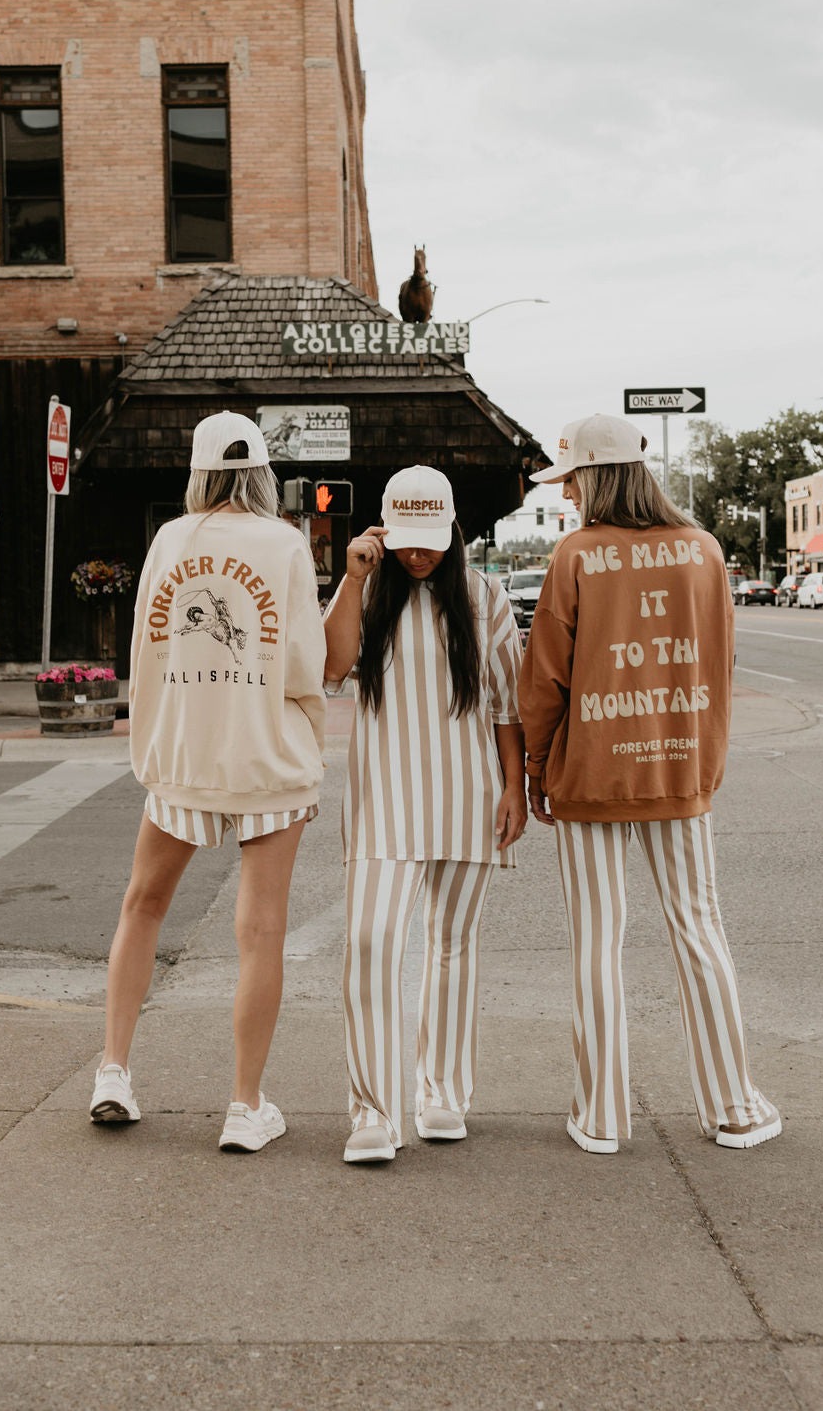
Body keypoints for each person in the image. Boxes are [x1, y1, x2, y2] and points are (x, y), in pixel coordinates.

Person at [519, 415, 780, 1154]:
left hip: (590, 773)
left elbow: (544, 677)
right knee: (699, 928)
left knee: (596, 941)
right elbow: (719, 666)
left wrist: (539, 767)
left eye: (570, 480)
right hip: (677, 764)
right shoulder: (704, 553)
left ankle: (601, 1114)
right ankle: (733, 1105)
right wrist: (707, 760)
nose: (566, 495)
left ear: (596, 476)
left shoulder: (575, 556)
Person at [90, 411, 326, 1154]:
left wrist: (157, 747)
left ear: (198, 471)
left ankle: (114, 1069)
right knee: (260, 932)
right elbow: (301, 666)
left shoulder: (169, 541)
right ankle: (243, 1104)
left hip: (187, 755)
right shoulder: (286, 544)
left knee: (143, 904)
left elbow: (145, 652)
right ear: (262, 473)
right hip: (266, 760)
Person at [323, 465, 526, 1163]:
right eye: (406, 541)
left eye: (430, 542)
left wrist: (514, 787)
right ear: (384, 531)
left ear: (451, 532)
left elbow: (506, 701)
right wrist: (351, 577)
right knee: (371, 944)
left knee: (451, 946)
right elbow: (330, 665)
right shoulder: (369, 588)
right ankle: (372, 1110)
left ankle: (441, 1091)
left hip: (467, 794)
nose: (419, 555)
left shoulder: (483, 595)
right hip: (384, 801)